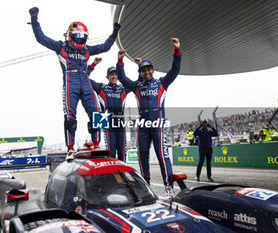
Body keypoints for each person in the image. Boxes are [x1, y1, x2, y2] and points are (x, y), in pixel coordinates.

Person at [28, 7, 121, 159]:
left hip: (85, 81)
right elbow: (41, 38)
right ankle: (70, 148)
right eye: (76, 36)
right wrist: (34, 20)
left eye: (82, 36)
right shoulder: (60, 47)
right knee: (70, 117)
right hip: (70, 83)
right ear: (70, 35)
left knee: (98, 112)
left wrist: (114, 33)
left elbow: (105, 47)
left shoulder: (87, 50)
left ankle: (97, 144)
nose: (79, 39)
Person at [116, 38, 182, 198]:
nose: (146, 72)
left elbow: (175, 70)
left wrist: (177, 51)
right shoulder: (136, 86)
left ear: (153, 70)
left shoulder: (162, 83)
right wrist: (120, 61)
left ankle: (169, 187)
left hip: (158, 126)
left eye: (148, 69)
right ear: (140, 73)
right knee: (143, 155)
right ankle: (146, 186)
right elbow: (123, 79)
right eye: (143, 70)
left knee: (162, 156)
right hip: (143, 127)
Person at [87, 58, 131, 161]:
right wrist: (93, 65)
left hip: (121, 123)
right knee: (111, 151)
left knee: (122, 152)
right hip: (107, 122)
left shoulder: (123, 88)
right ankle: (112, 175)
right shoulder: (101, 87)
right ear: (107, 77)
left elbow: (137, 83)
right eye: (111, 74)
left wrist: (139, 67)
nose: (114, 76)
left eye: (115, 74)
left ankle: (122, 173)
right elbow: (85, 77)